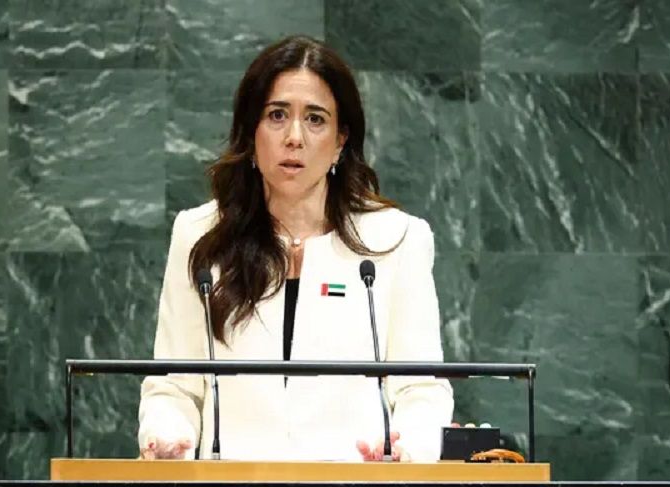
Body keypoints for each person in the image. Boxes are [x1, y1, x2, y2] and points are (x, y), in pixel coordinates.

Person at [137, 35, 453, 463]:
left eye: (315, 119)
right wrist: (166, 438)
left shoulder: (396, 240)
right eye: (277, 115)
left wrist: (407, 450)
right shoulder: (200, 235)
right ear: (251, 132)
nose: (294, 137)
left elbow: (421, 388)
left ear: (341, 140)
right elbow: (174, 386)